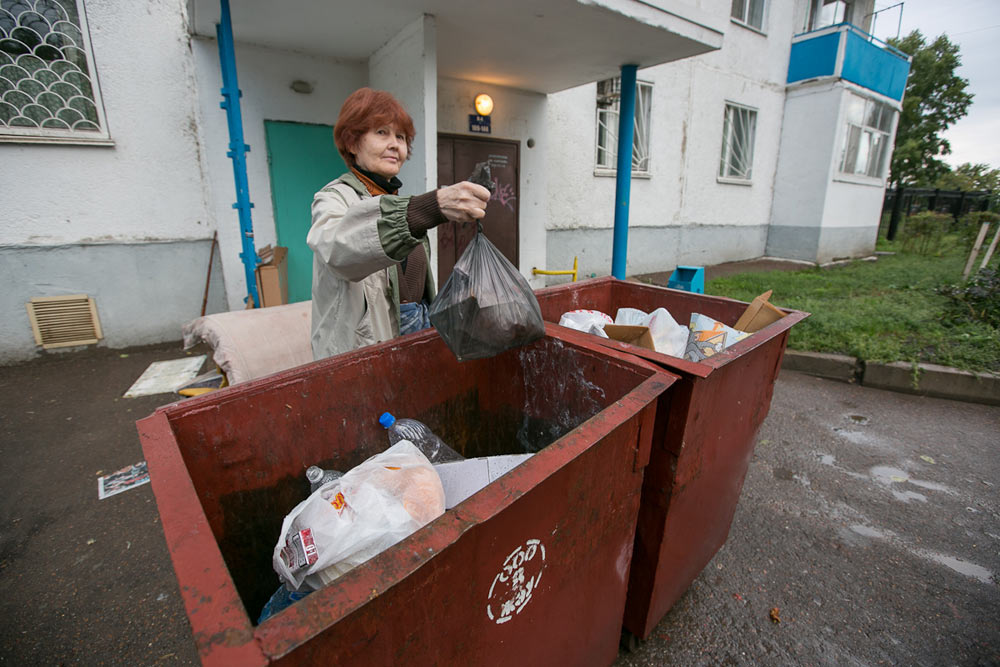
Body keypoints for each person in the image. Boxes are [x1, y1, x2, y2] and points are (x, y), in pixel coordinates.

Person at [308, 88, 491, 360]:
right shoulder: (334, 198)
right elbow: (336, 249)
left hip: (412, 333)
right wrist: (432, 206)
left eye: (401, 137)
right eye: (381, 132)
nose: (395, 144)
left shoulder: (398, 202)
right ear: (352, 142)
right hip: (359, 354)